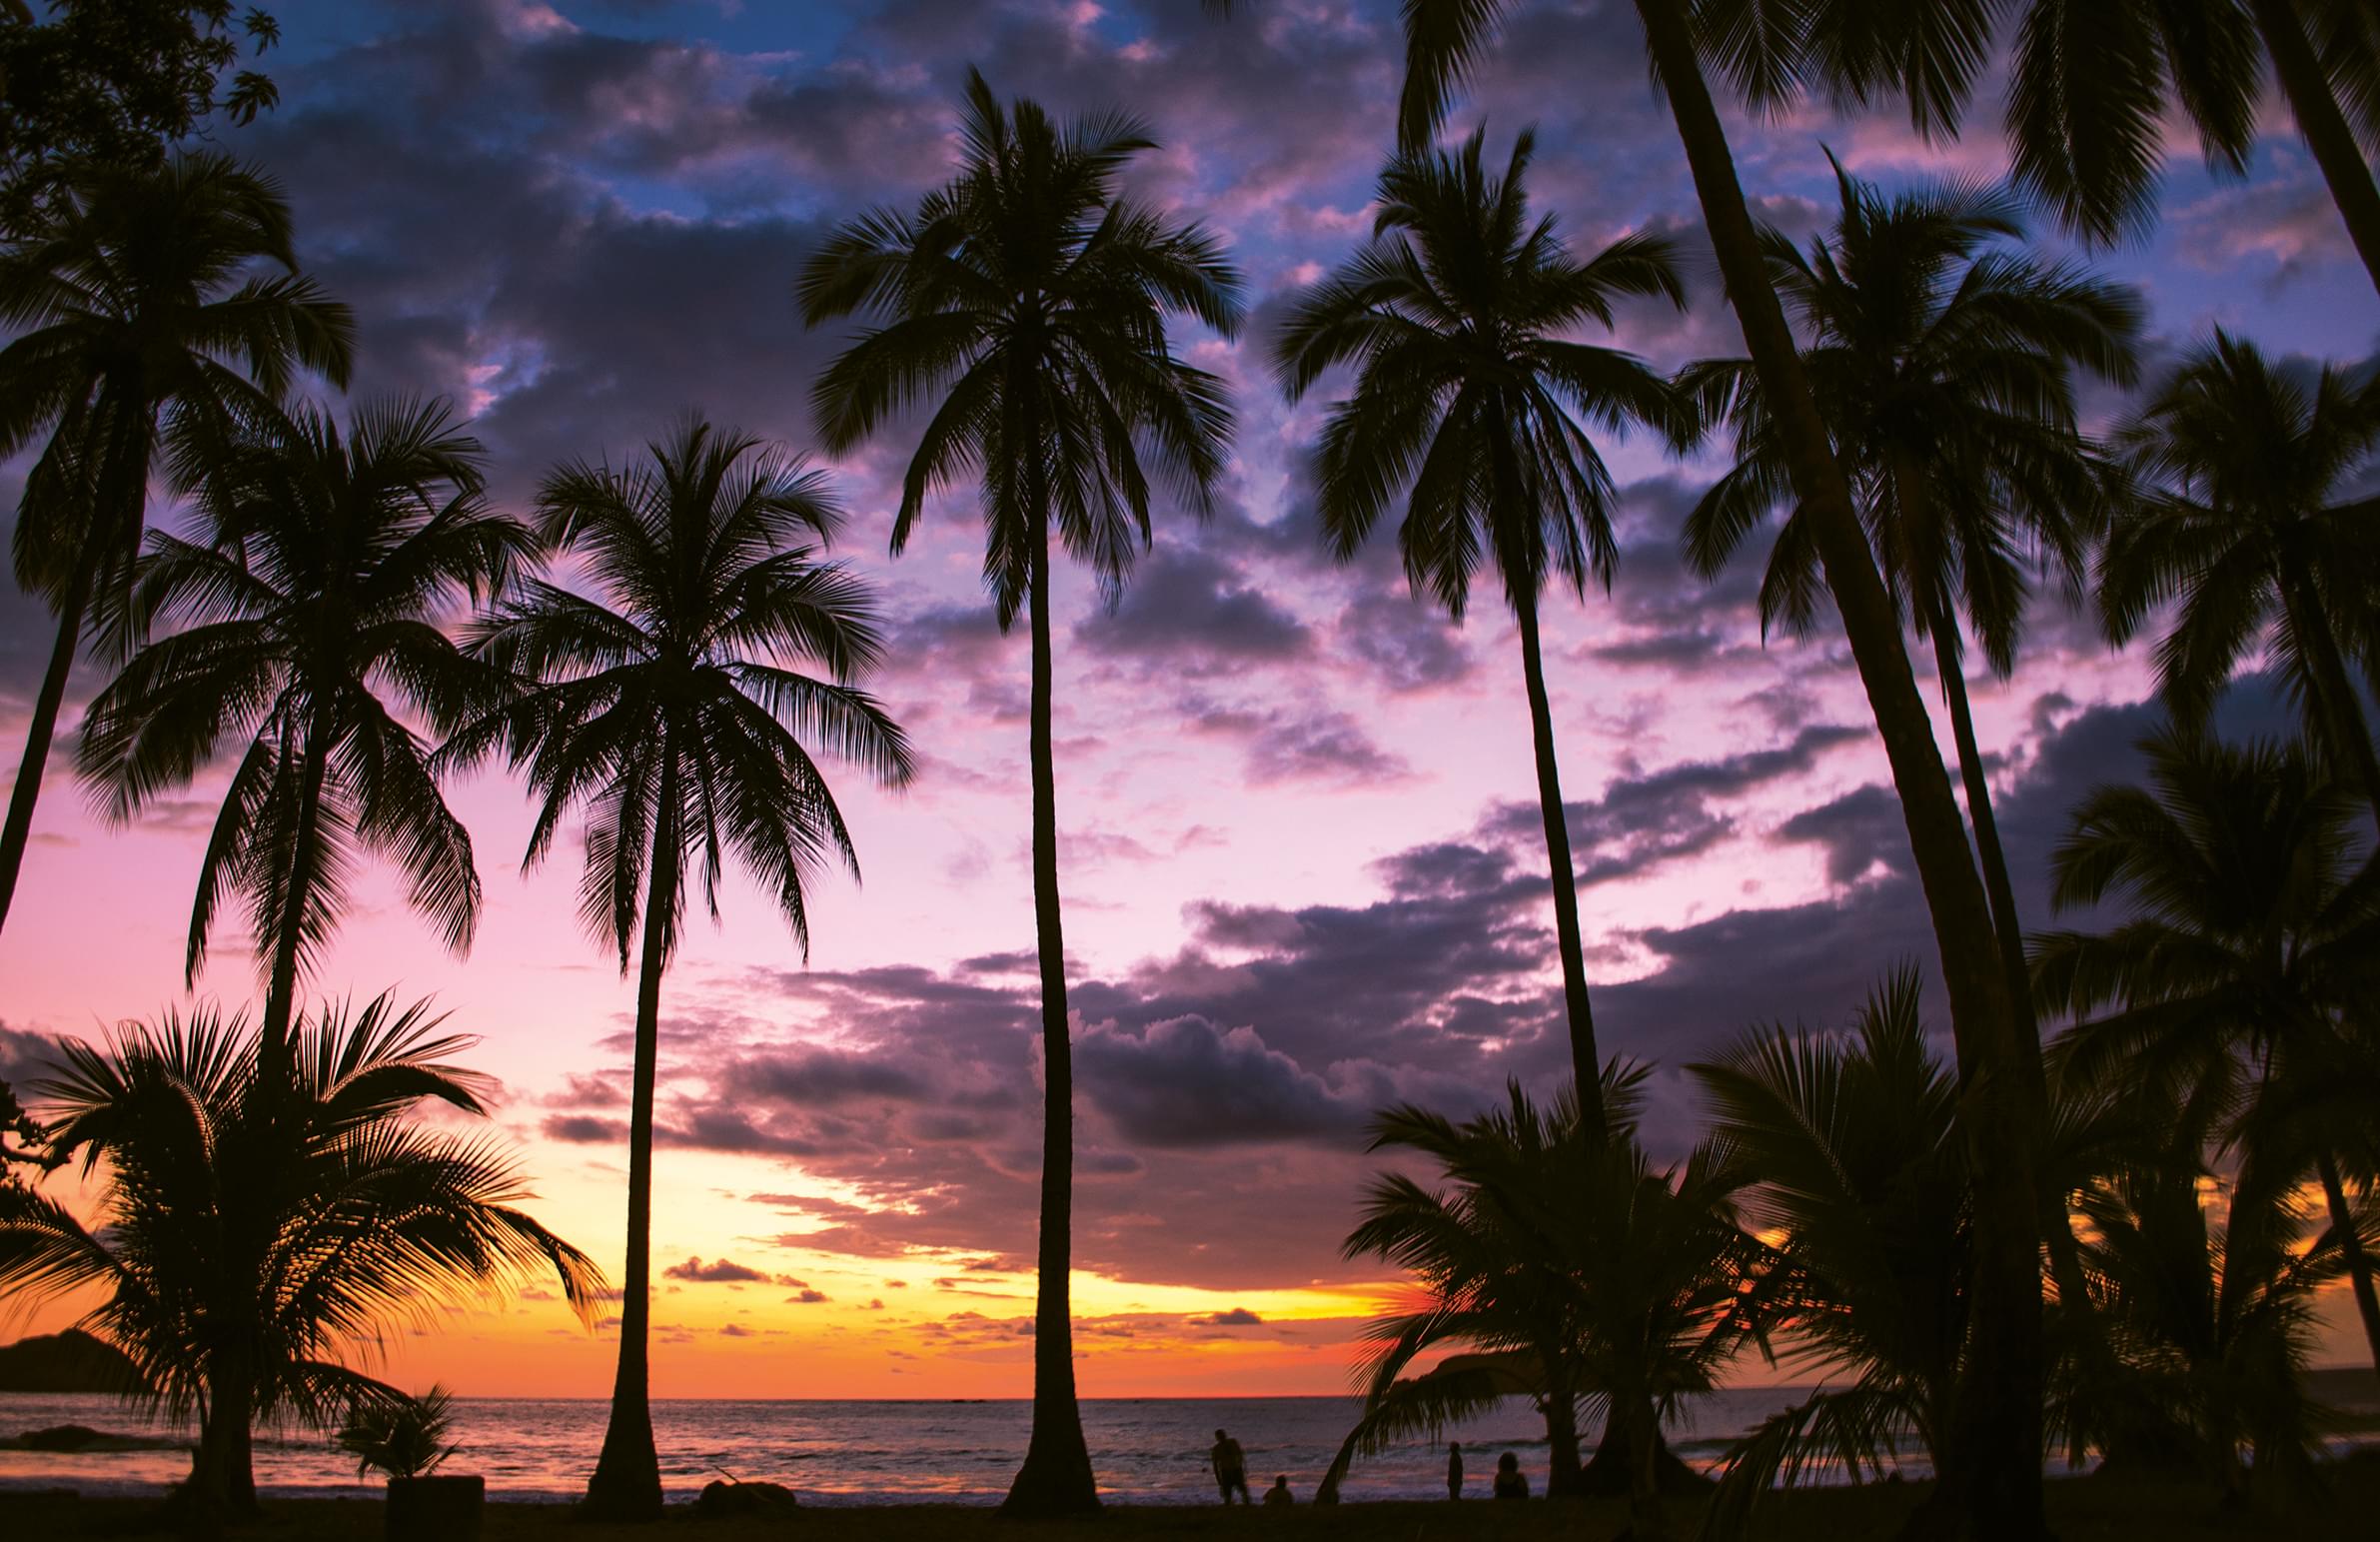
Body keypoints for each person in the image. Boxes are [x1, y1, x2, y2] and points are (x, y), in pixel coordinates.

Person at [1210, 1428, 1250, 1505]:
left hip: (1236, 1469)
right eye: (1220, 1436)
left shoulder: (1233, 1442)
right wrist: (1218, 1478)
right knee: (1228, 1493)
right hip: (1226, 1471)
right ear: (1217, 1438)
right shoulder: (1216, 1448)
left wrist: (1243, 1466)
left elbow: (1240, 1454)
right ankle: (1229, 1503)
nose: (1222, 1437)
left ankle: (1246, 1504)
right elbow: (1215, 1464)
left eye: (1222, 1435)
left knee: (1243, 1490)